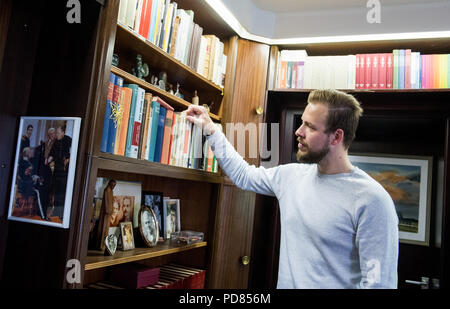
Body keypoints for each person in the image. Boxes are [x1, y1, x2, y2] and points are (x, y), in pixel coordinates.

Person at [186, 89, 399, 289]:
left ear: (337, 137)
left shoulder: (372, 200)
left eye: (311, 127)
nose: (299, 131)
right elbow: (243, 175)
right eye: (301, 123)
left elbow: (379, 283)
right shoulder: (291, 177)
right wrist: (211, 130)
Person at [48, 125, 72, 219]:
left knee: (62, 193)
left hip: (64, 171)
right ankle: (56, 212)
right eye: (56, 133)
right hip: (57, 170)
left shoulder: (68, 140)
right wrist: (48, 159)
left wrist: (68, 159)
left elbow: (74, 152)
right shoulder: (56, 142)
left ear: (63, 132)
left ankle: (62, 214)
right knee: (56, 191)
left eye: (58, 133)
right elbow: (52, 154)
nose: (56, 135)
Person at [96, 179, 116, 250]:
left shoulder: (111, 191)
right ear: (109, 184)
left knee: (106, 229)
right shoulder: (106, 190)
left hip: (109, 213)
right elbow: (106, 202)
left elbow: (112, 201)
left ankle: (104, 245)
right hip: (105, 213)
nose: (113, 187)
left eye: (114, 185)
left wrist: (112, 209)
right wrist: (108, 210)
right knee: (103, 228)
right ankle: (101, 245)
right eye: (112, 185)